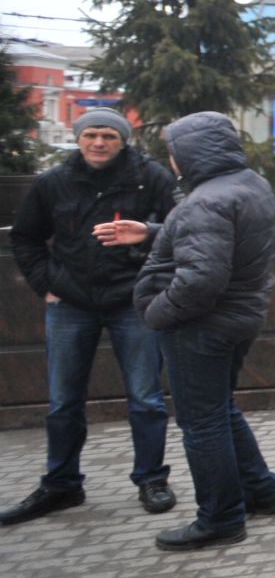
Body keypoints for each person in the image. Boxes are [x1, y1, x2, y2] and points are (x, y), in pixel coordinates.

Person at [3, 108, 178, 526]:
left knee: (146, 399)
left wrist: (151, 280)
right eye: (90, 135)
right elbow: (25, 237)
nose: (98, 143)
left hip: (132, 302)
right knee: (63, 402)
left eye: (108, 136)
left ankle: (151, 479)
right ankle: (61, 485)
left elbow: (175, 233)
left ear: (123, 141)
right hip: (70, 303)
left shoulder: (151, 177)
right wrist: (45, 282)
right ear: (78, 139)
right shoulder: (52, 182)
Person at [125, 112, 275, 551]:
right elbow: (218, 241)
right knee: (221, 411)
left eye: (172, 151)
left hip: (200, 326)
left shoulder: (204, 201)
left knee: (202, 424)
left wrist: (157, 312)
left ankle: (220, 518)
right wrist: (153, 232)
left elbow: (201, 278)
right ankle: (262, 492)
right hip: (239, 317)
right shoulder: (249, 184)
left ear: (189, 153)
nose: (171, 160)